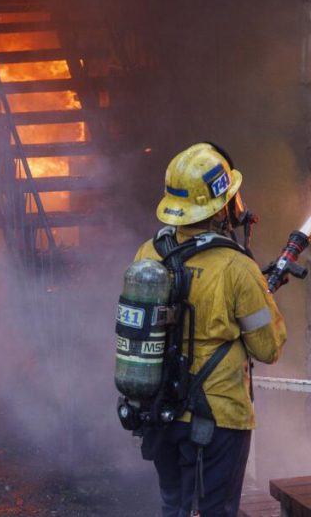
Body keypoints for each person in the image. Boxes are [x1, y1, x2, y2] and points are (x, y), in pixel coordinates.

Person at [135, 142, 286, 517]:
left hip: (161, 412)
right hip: (219, 419)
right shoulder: (236, 268)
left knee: (174, 506)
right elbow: (268, 348)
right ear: (220, 206)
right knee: (215, 510)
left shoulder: (149, 253)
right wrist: (261, 293)